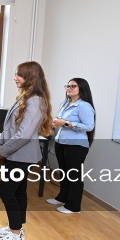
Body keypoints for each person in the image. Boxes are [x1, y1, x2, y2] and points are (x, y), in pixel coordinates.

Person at [0, 61, 53, 240]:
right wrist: (1, 142)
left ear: (31, 77)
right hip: (15, 153)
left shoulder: (36, 100)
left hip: (21, 155)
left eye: (19, 75)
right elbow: (9, 125)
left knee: (7, 191)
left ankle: (16, 234)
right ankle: (15, 227)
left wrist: (2, 150)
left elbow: (24, 134)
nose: (15, 78)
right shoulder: (26, 96)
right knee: (18, 191)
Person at [47, 78, 95, 213]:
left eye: (73, 86)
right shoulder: (66, 103)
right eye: (68, 86)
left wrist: (66, 123)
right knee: (63, 172)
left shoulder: (84, 106)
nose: (69, 88)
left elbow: (89, 126)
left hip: (76, 145)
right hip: (61, 142)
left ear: (82, 89)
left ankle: (73, 206)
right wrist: (56, 122)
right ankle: (63, 197)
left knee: (74, 175)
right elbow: (62, 120)